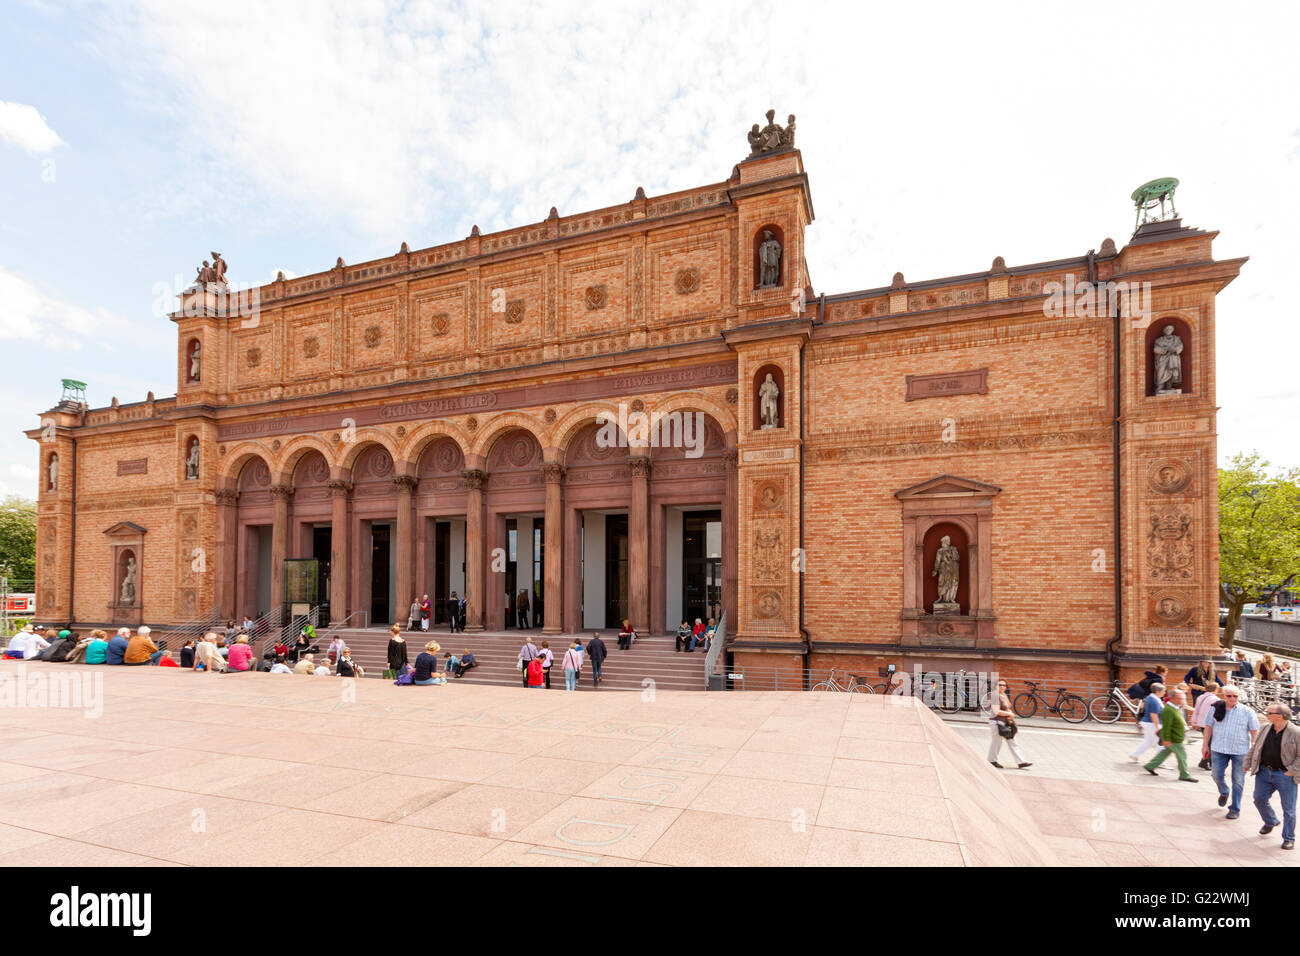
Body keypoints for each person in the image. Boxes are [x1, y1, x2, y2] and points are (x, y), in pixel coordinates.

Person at [1246, 702, 1300, 850]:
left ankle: (1289, 838)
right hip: (1264, 772)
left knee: (1288, 809)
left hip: (1285, 776)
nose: (1266, 715)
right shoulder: (1265, 728)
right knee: (1259, 799)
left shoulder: (1296, 732)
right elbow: (1256, 747)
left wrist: (1291, 772)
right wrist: (1247, 762)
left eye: (1269, 713)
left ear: (1280, 716)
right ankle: (1270, 821)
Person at [1203, 685, 1261, 819]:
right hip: (1218, 749)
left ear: (1239, 697)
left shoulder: (1247, 711)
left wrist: (1254, 751)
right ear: (1224, 696)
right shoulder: (1215, 708)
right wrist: (1205, 745)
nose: (1232, 698)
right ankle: (1224, 791)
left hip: (1240, 751)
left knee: (1238, 781)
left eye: (1235, 696)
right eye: (1229, 696)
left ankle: (1235, 809)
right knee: (1216, 775)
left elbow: (1254, 732)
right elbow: (1208, 726)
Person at [1144, 689, 1198, 782]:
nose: (1181, 700)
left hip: (1175, 737)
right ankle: (1184, 775)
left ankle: (1150, 766)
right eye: (1179, 698)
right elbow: (1167, 726)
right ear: (1172, 698)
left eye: (1182, 698)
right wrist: (1167, 739)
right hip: (1174, 738)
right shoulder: (1169, 710)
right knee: (1182, 756)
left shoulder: (1174, 708)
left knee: (1165, 753)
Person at [987, 678, 1031, 769]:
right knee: (996, 742)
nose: (1002, 687)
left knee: (1012, 741)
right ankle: (992, 761)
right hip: (996, 722)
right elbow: (996, 711)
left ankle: (1021, 762)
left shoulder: (1004, 695)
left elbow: (1007, 707)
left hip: (1005, 722)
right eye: (1000, 685)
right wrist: (1009, 714)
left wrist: (1010, 714)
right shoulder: (995, 696)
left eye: (1004, 685)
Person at [1130, 682, 1165, 764]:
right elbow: (1154, 715)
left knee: (1148, 741)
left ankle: (1135, 755)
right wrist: (1158, 727)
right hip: (1152, 724)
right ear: (1157, 691)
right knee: (1159, 742)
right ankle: (1160, 762)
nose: (1164, 692)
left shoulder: (1151, 698)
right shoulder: (1154, 700)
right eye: (1163, 690)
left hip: (1147, 722)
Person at [1191, 681, 1222, 769]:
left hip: (1201, 723)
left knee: (1208, 743)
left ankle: (1204, 762)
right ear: (1215, 690)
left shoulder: (1200, 697)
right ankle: (1209, 763)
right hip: (1209, 724)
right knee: (1211, 744)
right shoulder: (1216, 699)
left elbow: (1196, 710)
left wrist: (1194, 722)